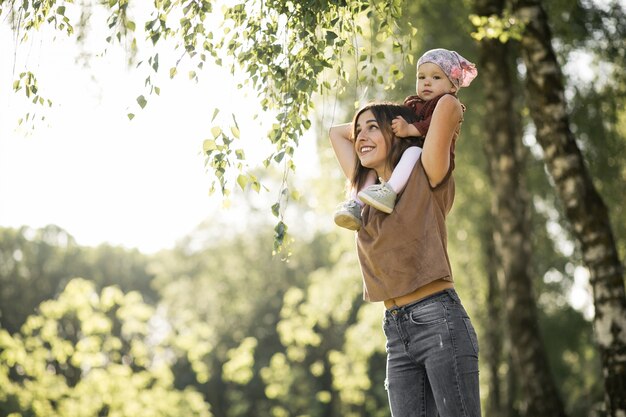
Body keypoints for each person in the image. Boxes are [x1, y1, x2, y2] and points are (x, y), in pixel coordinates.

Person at [328, 48, 481, 417]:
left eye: (372, 129)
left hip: (438, 320)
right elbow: (336, 133)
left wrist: (410, 121)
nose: (360, 136)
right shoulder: (366, 194)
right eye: (359, 130)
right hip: (396, 331)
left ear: (394, 135)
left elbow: (449, 108)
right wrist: (371, 121)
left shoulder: (426, 173)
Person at [334, 48, 477, 231]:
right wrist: (376, 127)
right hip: (407, 157)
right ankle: (355, 203)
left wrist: (409, 128)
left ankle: (389, 191)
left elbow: (431, 124)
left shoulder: (445, 103)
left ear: (452, 86)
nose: (427, 82)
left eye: (436, 77)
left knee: (413, 151)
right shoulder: (413, 104)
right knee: (369, 166)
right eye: (421, 77)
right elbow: (336, 133)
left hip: (430, 156)